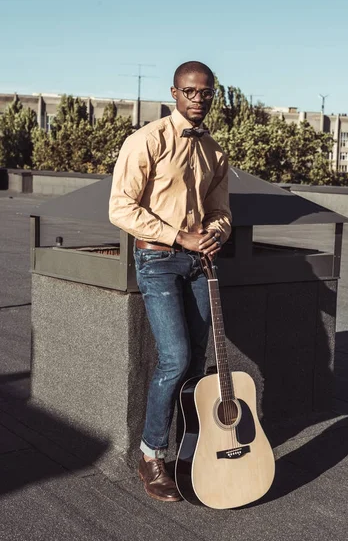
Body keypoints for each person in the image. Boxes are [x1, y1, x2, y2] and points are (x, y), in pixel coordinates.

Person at [109, 61, 232, 502]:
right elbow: (120, 208)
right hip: (157, 259)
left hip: (199, 264)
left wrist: (215, 233)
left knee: (198, 364)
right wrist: (179, 234)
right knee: (175, 358)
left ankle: (191, 452)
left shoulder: (215, 151)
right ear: (174, 93)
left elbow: (221, 212)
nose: (198, 99)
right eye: (190, 91)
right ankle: (150, 455)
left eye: (205, 93)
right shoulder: (146, 140)